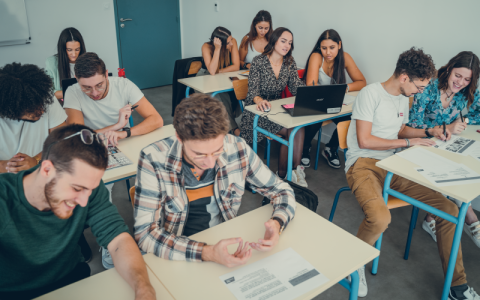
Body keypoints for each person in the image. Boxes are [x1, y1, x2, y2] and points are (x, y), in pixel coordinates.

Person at [346, 47, 479, 299]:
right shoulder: (370, 93)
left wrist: (431, 132)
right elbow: (365, 141)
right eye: (419, 86)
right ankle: (353, 265)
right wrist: (408, 144)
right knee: (381, 218)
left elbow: (401, 131)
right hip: (363, 164)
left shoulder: (401, 98)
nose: (420, 92)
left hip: (394, 166)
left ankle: (457, 286)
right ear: (404, 77)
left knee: (450, 211)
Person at [134, 94, 296, 267]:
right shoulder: (153, 159)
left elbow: (281, 190)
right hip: (176, 252)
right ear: (179, 138)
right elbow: (145, 234)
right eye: (200, 154)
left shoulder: (237, 147)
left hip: (223, 244)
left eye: (217, 151)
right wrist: (208, 252)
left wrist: (278, 222)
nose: (211, 163)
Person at [0, 124, 156, 300]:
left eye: (89, 189)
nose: (83, 201)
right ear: (46, 170)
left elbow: (118, 238)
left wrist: (143, 288)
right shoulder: (4, 199)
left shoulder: (88, 189)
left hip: (73, 283)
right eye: (76, 188)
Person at [63, 52, 164, 269]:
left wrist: (125, 132)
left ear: (107, 75)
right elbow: (77, 136)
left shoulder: (124, 85)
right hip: (91, 148)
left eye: (99, 85)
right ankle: (109, 245)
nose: (94, 92)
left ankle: (153, 233)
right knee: (101, 191)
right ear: (78, 82)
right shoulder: (72, 92)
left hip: (123, 143)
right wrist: (117, 126)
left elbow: (156, 120)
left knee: (155, 175)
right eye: (86, 88)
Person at [407, 51, 480, 248]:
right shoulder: (427, 88)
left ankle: (432, 218)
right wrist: (443, 129)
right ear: (449, 68)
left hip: (445, 146)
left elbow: (478, 113)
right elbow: (412, 128)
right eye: (458, 76)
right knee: (453, 169)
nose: (461, 83)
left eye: (467, 79)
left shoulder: (467, 91)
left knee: (464, 165)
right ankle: (470, 218)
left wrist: (462, 120)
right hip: (421, 146)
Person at [240, 27, 307, 187]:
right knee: (292, 131)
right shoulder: (258, 61)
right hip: (256, 112)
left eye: (290, 43)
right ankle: (287, 174)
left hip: (276, 109)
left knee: (297, 128)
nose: (287, 45)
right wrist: (259, 100)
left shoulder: (289, 62)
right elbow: (253, 92)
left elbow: (295, 87)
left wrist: (310, 92)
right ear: (274, 40)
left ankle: (290, 173)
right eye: (283, 41)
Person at [301, 29, 366, 169]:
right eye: (324, 48)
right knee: (314, 120)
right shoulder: (316, 57)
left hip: (333, 102)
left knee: (350, 118)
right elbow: (311, 85)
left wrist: (344, 88)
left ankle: (330, 148)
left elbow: (361, 82)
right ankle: (305, 148)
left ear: (339, 45)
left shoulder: (345, 57)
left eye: (332, 47)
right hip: (315, 101)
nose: (328, 52)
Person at [198, 26, 241, 136]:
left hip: (222, 75)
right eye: (228, 42)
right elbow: (211, 71)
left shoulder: (233, 41)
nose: (231, 44)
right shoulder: (206, 47)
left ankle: (229, 125)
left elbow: (236, 66)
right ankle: (234, 128)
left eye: (231, 40)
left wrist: (219, 71)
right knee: (220, 95)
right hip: (205, 78)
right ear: (220, 43)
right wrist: (217, 49)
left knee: (240, 89)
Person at [45, 27, 86, 101]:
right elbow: (48, 92)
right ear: (63, 49)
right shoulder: (52, 63)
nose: (74, 54)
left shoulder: (87, 61)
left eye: (77, 49)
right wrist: (72, 92)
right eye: (69, 50)